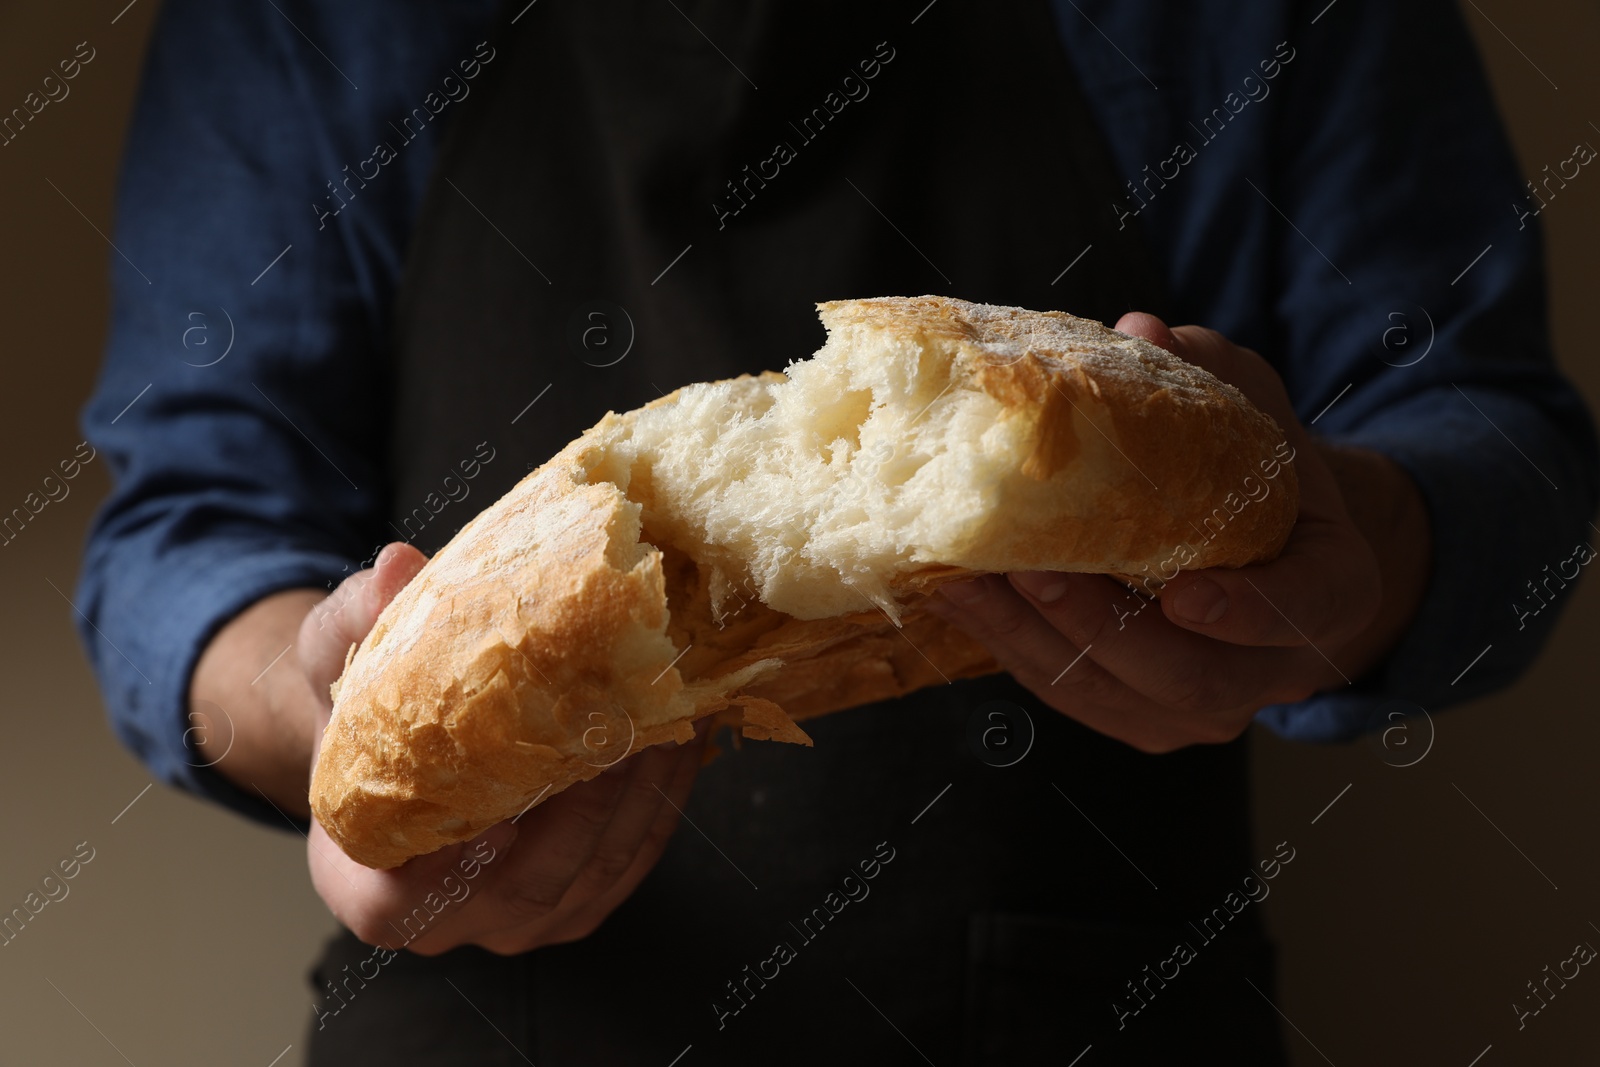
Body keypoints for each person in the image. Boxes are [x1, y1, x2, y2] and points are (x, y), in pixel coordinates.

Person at [76, 0, 1596, 1062]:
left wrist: (1357, 552)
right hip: (488, 1027)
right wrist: (330, 715)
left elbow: (1494, 437)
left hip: (1093, 1011)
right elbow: (187, 526)